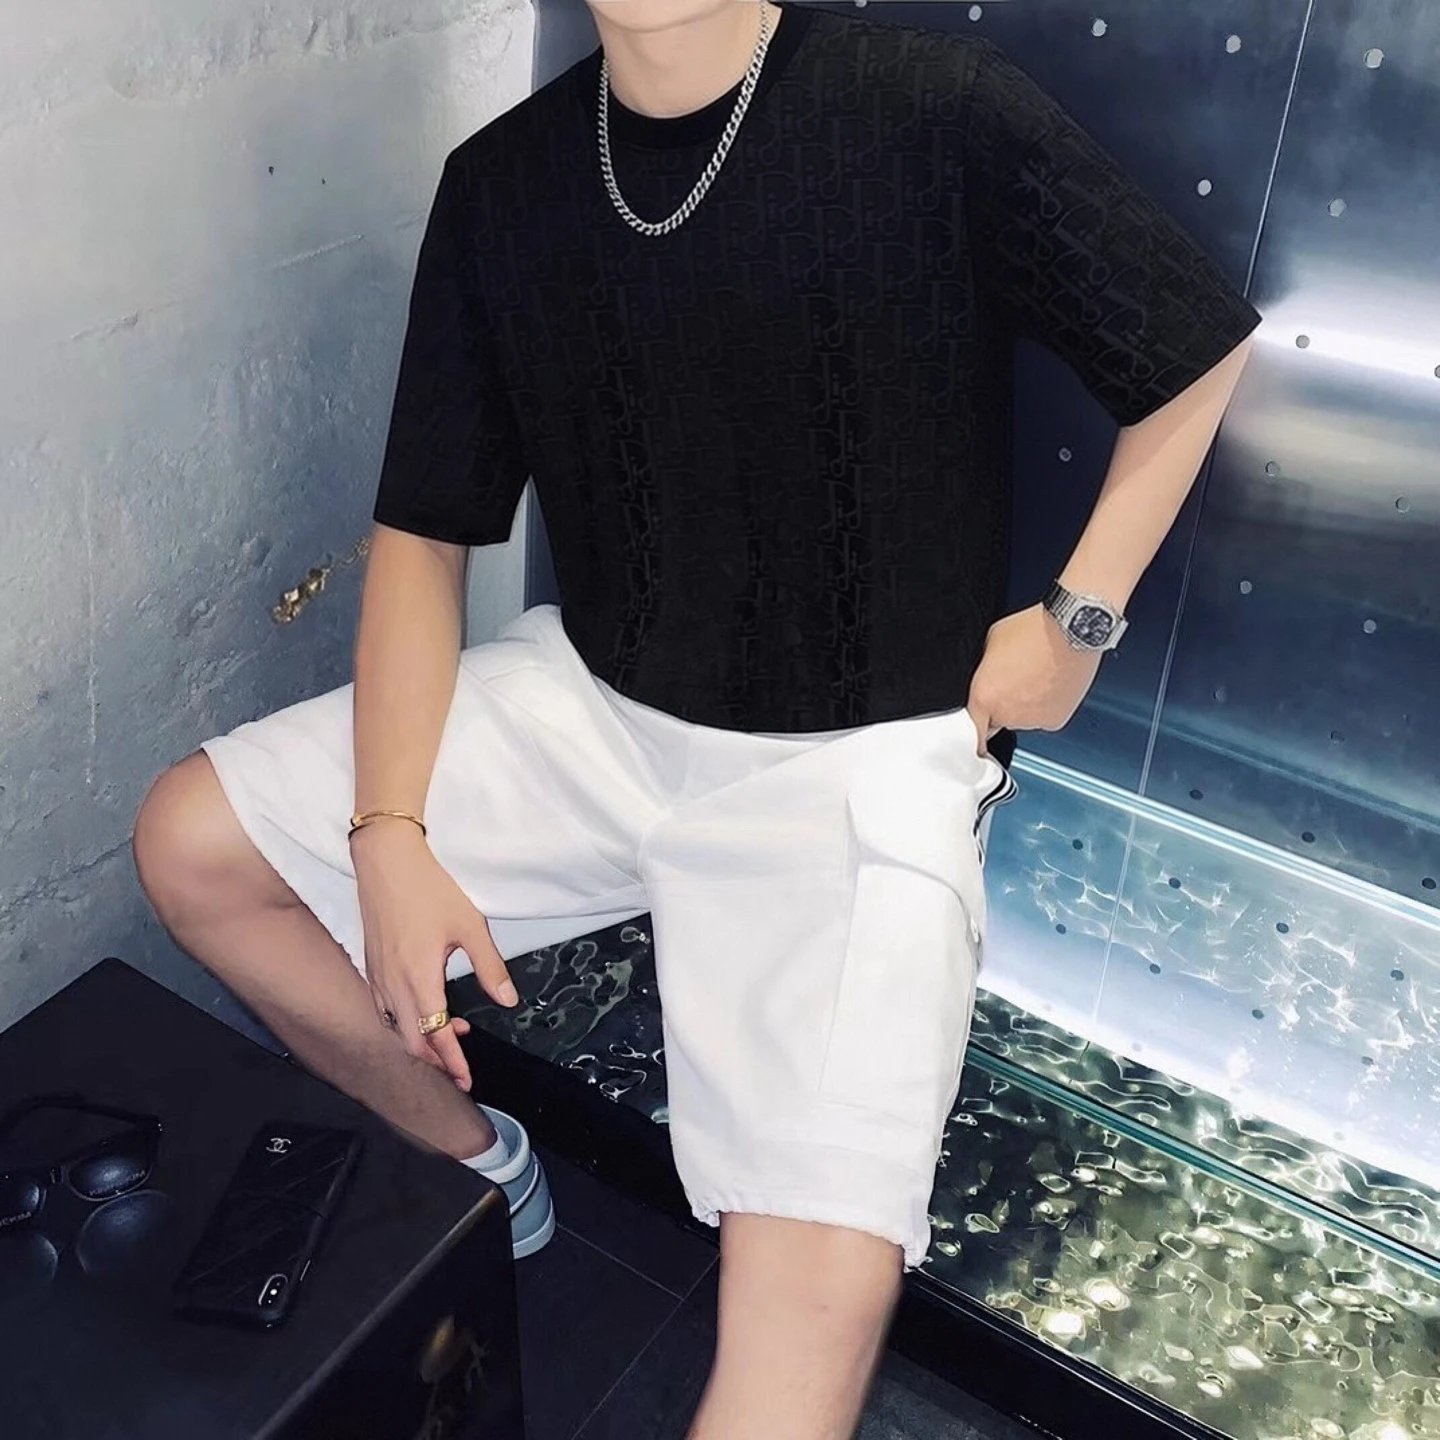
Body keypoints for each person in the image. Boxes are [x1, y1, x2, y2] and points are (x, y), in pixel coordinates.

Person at [133, 2, 1261, 1436]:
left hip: (854, 764)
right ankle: (478, 1168)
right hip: (591, 707)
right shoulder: (505, 182)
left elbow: (1190, 342)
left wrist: (1077, 622)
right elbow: (424, 529)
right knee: (193, 840)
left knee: (797, 1346)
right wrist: (387, 830)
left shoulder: (931, 108)